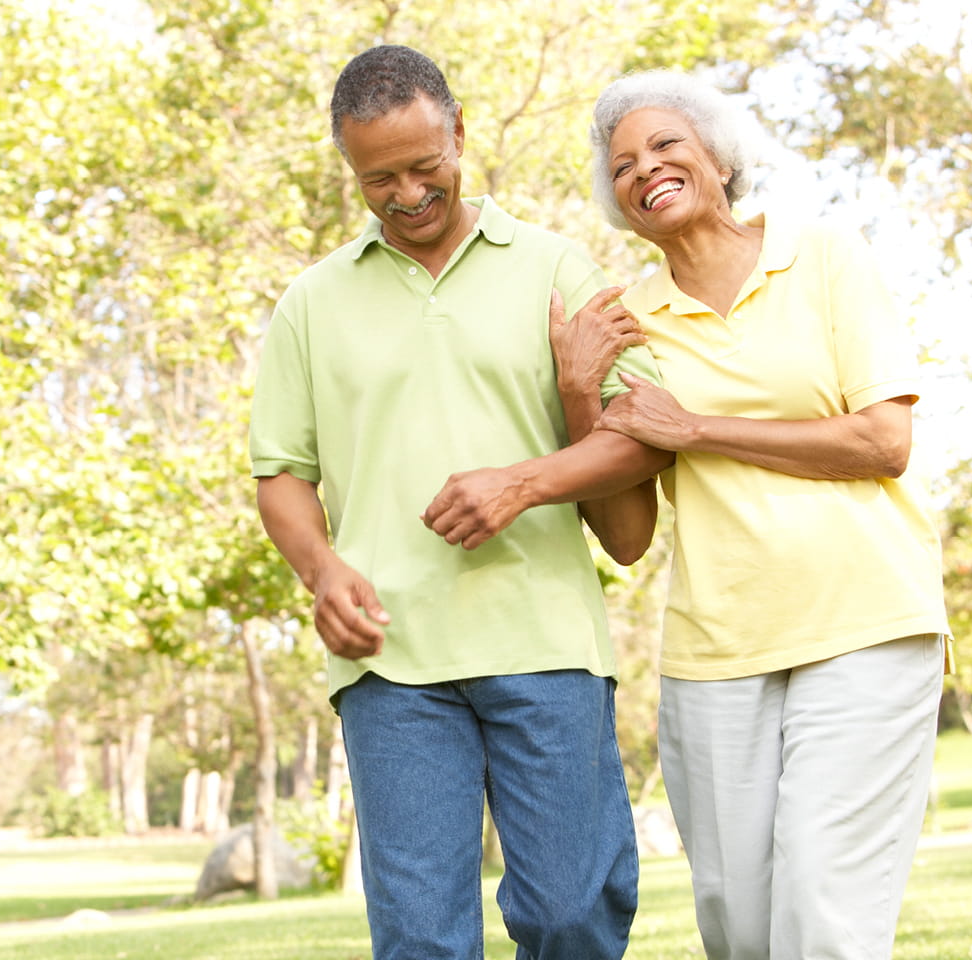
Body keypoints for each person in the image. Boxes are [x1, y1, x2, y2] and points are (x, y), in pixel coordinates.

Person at [248, 45, 673, 960]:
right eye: (379, 178)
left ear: (461, 135)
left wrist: (521, 484)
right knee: (420, 940)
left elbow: (645, 431)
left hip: (545, 639)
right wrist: (320, 571)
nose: (406, 194)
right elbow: (280, 471)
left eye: (424, 167)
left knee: (571, 912)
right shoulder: (312, 304)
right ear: (350, 170)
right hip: (390, 659)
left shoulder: (556, 269)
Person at [559, 70, 954, 959]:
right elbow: (625, 538)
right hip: (718, 647)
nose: (646, 169)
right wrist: (581, 390)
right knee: (736, 923)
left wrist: (696, 428)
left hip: (866, 621)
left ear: (717, 155)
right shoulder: (627, 322)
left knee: (823, 908)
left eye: (665, 144)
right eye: (621, 165)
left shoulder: (822, 256)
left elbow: (884, 441)